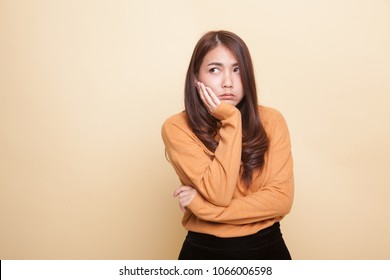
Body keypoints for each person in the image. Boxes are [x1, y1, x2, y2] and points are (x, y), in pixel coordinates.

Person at [161, 30, 294, 260]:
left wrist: (203, 208)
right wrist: (231, 119)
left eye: (237, 69)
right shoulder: (177, 127)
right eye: (214, 69)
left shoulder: (272, 121)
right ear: (196, 78)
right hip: (205, 252)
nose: (228, 82)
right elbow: (220, 193)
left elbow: (281, 200)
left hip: (267, 249)